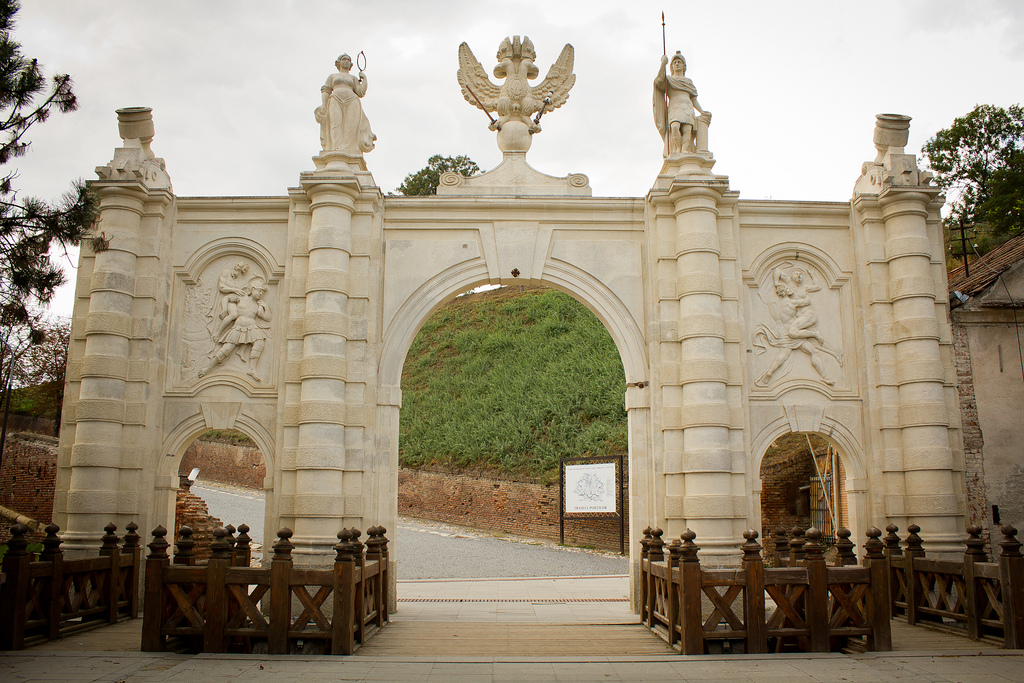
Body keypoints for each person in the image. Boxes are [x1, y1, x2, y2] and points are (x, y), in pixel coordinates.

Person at [200, 277, 271, 382]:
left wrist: (265, 308)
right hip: (238, 327)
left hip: (252, 327)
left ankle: (252, 368)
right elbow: (226, 298)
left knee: (260, 343)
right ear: (252, 289)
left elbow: (267, 318)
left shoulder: (258, 304)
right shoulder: (240, 297)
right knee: (227, 348)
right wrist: (225, 309)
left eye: (262, 292)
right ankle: (209, 367)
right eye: (259, 290)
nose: (260, 294)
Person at [315, 53, 376, 155]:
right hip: (335, 99)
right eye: (344, 59)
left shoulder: (353, 78)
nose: (346, 61)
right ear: (339, 63)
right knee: (335, 124)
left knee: (350, 126)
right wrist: (324, 105)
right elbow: (326, 91)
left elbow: (360, 92)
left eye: (348, 60)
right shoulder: (332, 76)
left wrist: (364, 79)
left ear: (351, 64)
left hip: (352, 100)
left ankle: (348, 150)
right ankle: (336, 150)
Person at [653, 51, 709, 157]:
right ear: (671, 67)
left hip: (688, 108)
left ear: (684, 66)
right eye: (674, 63)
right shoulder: (669, 79)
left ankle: (685, 151)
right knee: (674, 127)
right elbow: (659, 81)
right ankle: (677, 150)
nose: (677, 64)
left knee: (687, 130)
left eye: (679, 62)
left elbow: (693, 99)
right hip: (675, 108)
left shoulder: (688, 81)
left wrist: (701, 111)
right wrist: (663, 64)